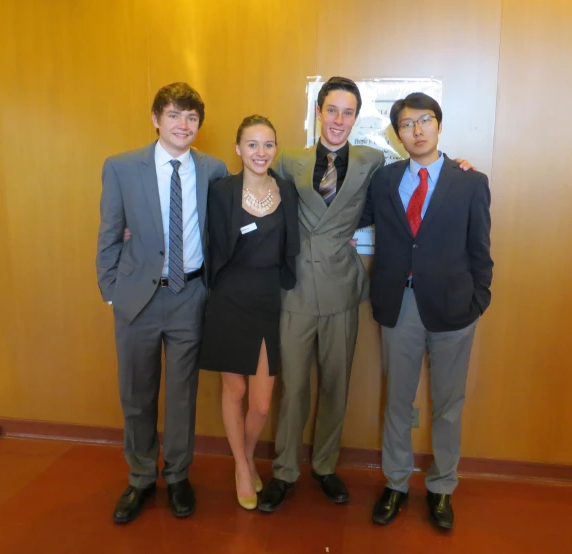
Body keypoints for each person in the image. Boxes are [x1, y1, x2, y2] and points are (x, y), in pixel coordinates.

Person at [358, 92, 493, 530]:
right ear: (397, 134)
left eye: (424, 121)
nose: (416, 130)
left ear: (438, 125)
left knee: (448, 405)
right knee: (397, 401)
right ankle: (395, 484)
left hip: (455, 309)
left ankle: (441, 488)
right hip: (400, 306)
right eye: (406, 124)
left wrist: (479, 300)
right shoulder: (384, 179)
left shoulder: (469, 181)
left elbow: (480, 249)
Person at [96, 82, 228, 524]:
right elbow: (110, 234)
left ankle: (177, 476)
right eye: (174, 115)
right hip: (138, 297)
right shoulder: (121, 167)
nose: (183, 125)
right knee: (136, 393)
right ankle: (139, 477)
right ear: (156, 119)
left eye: (191, 117)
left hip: (189, 293)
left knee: (182, 394)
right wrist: (113, 290)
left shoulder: (213, 170)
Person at [257, 77, 385, 512]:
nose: (339, 121)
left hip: (342, 290)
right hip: (294, 290)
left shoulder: (372, 160)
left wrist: (455, 164)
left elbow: (398, 190)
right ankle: (285, 471)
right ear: (318, 111)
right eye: (332, 110)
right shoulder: (288, 159)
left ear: (356, 117)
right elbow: (254, 196)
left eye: (348, 112)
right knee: (292, 388)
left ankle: (326, 466)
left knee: (336, 384)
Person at [199, 115, 299, 511]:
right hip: (228, 297)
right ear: (238, 149)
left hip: (268, 299)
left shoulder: (288, 191)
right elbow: (195, 231)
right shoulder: (220, 191)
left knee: (259, 402)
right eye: (252, 144)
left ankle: (247, 452)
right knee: (234, 390)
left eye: (268, 144)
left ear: (276, 149)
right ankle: (243, 466)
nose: (261, 152)